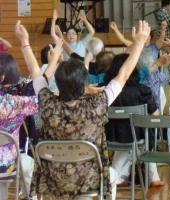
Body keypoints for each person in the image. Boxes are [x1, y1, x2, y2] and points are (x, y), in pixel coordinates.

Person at [16, 19, 151, 199]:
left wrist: (24, 41)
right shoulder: (97, 105)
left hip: (53, 180)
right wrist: (140, 43)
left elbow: (35, 71)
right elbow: (124, 75)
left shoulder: (47, 103)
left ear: (59, 82)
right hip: (90, 178)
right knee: (113, 175)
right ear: (84, 85)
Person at [104, 53, 163, 187]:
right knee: (144, 134)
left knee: (125, 141)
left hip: (110, 137)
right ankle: (153, 177)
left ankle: (117, 176)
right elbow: (156, 116)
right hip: (138, 137)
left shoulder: (106, 90)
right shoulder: (142, 90)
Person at [0, 53, 38, 199]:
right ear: (4, 77)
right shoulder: (16, 102)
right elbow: (44, 102)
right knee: (29, 164)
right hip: (8, 164)